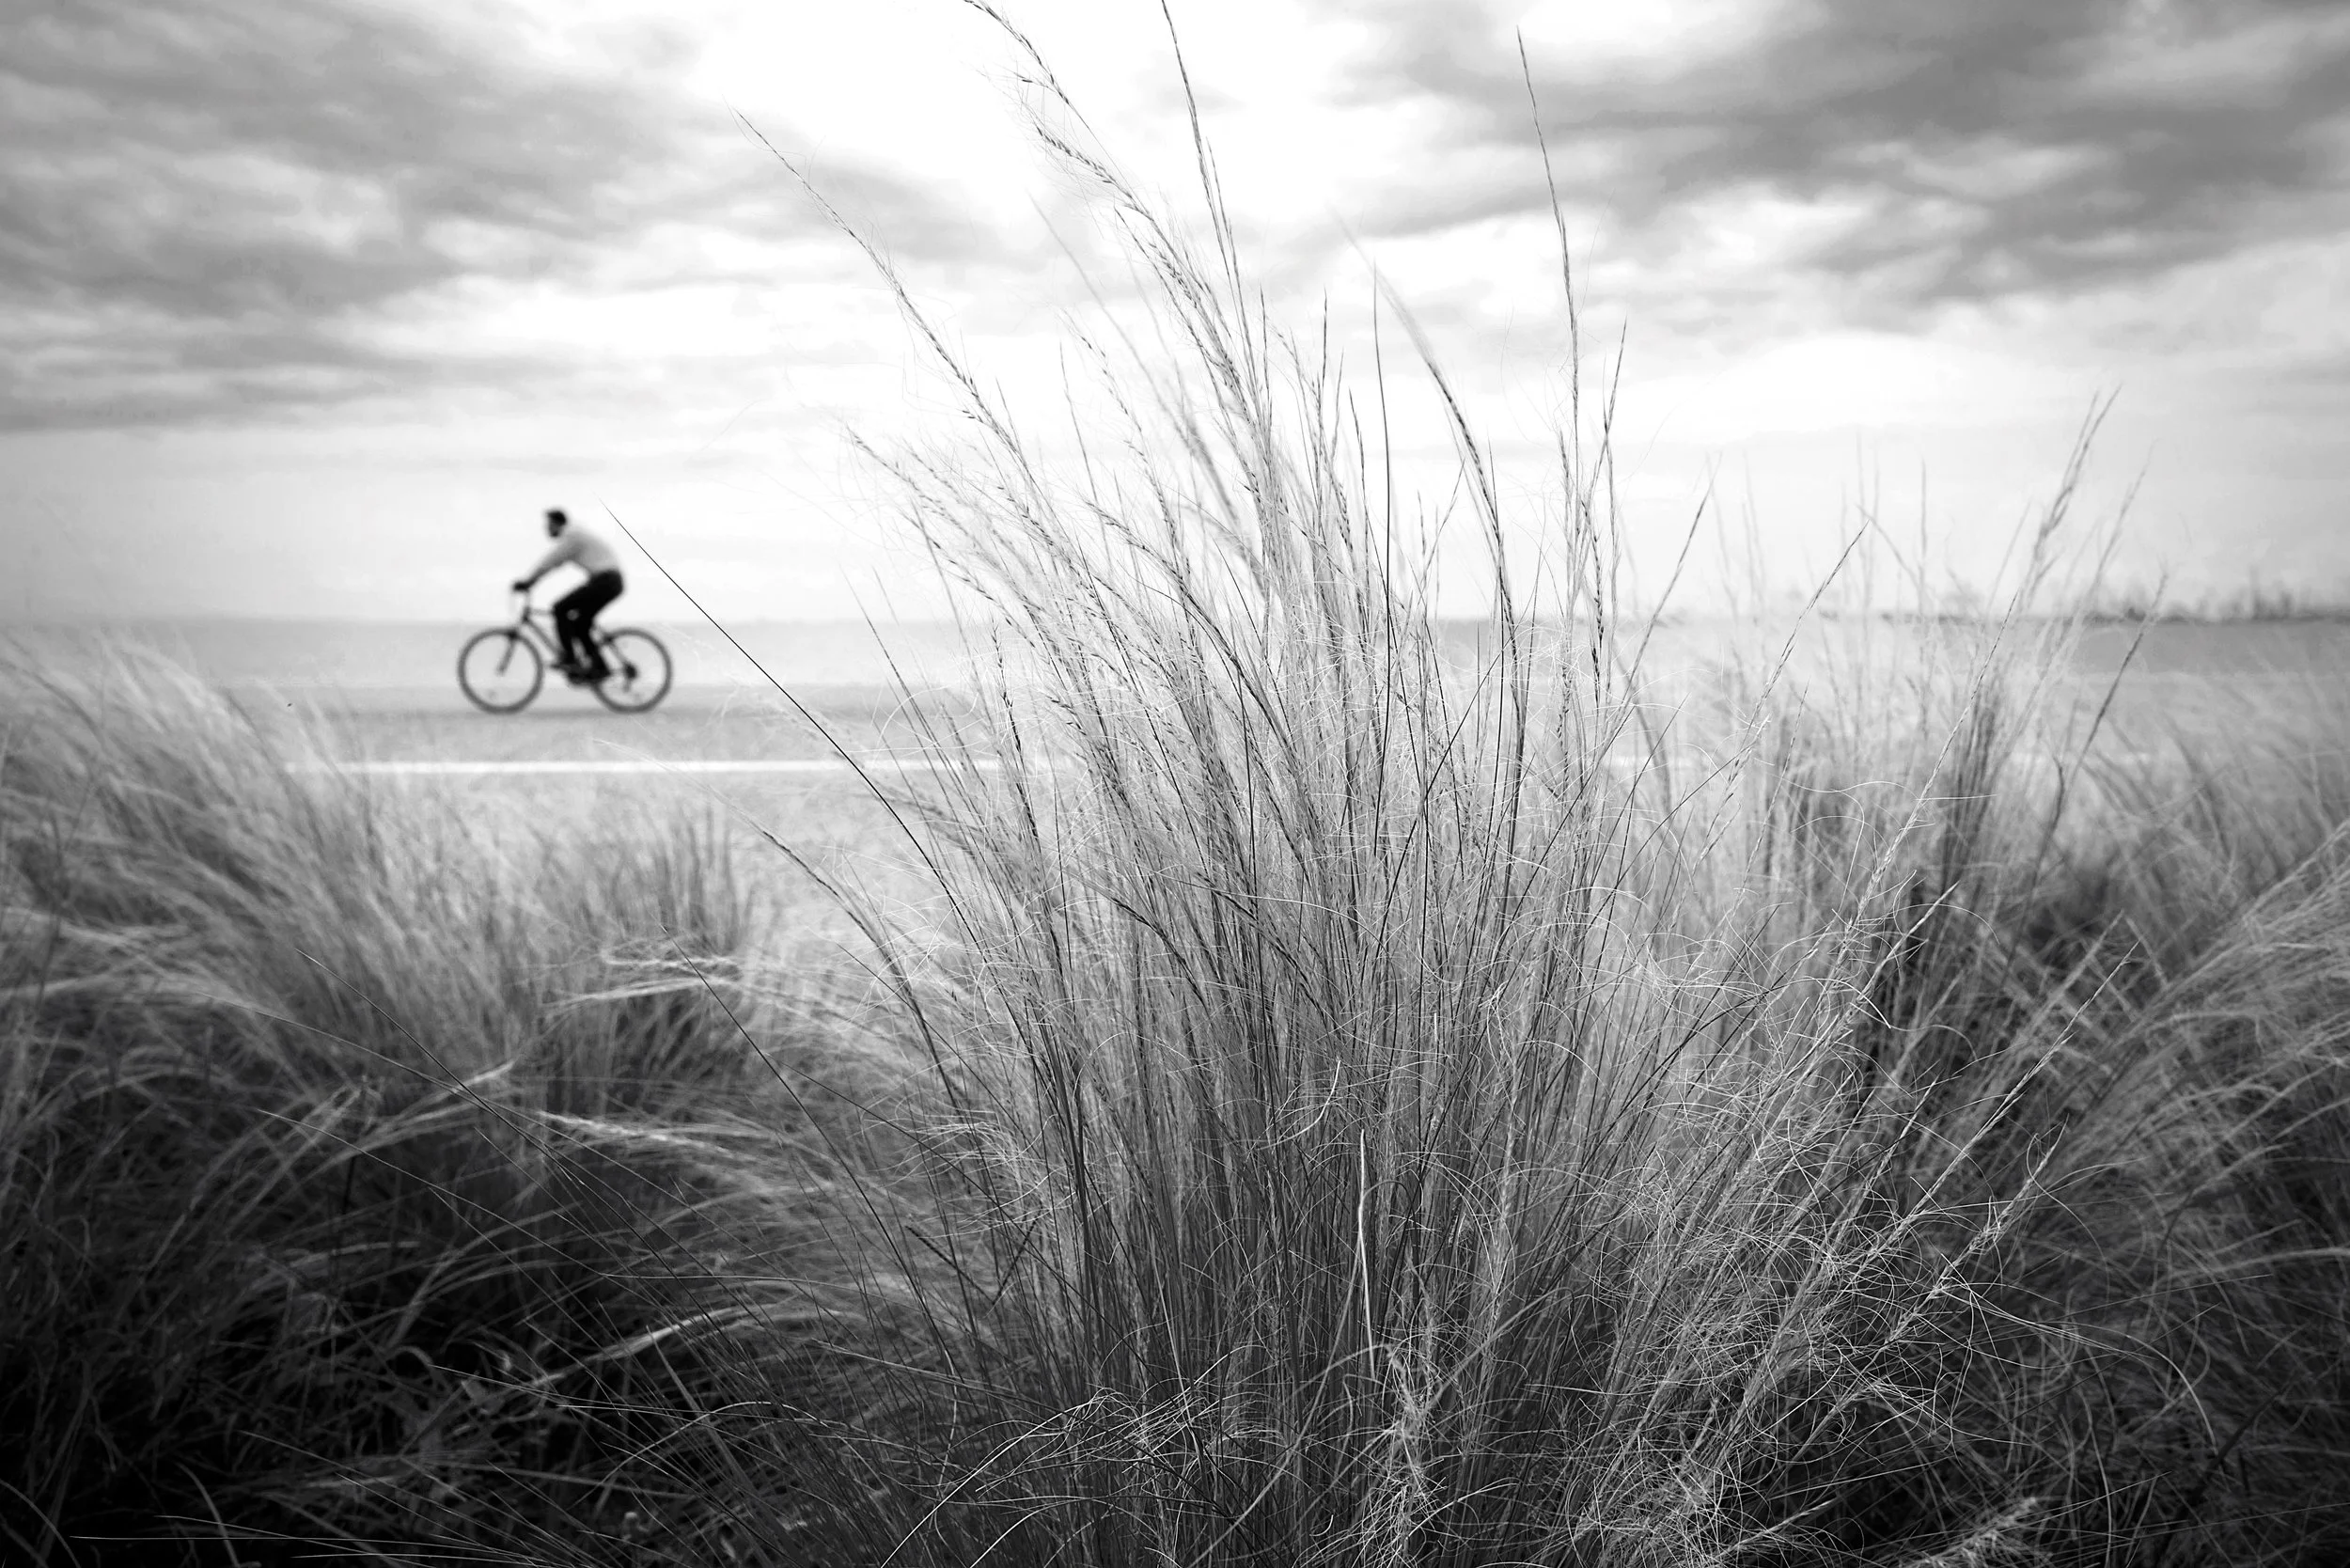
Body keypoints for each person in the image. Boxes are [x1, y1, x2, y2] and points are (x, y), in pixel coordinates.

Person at [513, 508, 624, 683]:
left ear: (557, 523)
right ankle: (599, 668)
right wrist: (532, 581)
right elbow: (554, 562)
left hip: (606, 580)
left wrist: (529, 581)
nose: (546, 529)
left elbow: (552, 560)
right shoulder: (574, 534)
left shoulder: (572, 535)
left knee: (560, 608)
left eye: (549, 525)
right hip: (608, 581)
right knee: (581, 624)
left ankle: (570, 659)